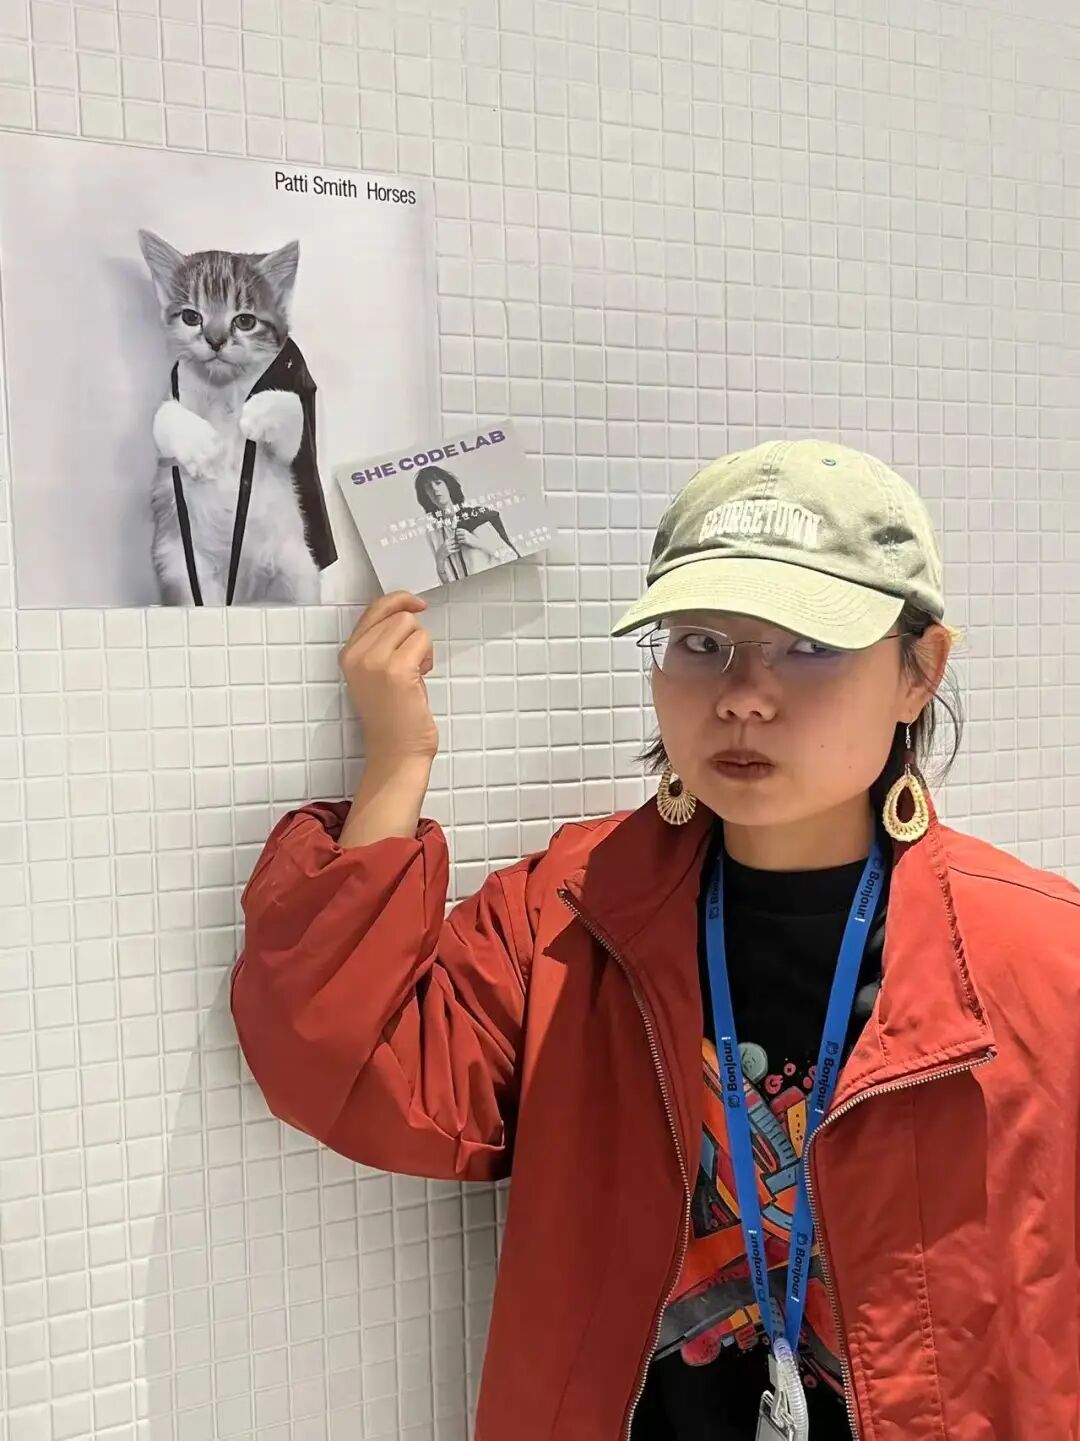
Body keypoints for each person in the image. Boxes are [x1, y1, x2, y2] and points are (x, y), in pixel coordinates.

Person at [231, 439, 1079, 1441]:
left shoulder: (1043, 961)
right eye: (701, 642)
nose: (743, 693)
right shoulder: (573, 915)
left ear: (918, 671)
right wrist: (397, 761)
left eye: (809, 644)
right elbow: (350, 1066)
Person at [414, 463, 520, 583]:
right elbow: (444, 582)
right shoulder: (434, 532)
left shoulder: (475, 516)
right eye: (428, 487)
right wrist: (439, 558)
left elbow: (511, 556)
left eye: (438, 483)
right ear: (425, 495)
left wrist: (477, 542)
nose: (434, 489)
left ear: (448, 485)